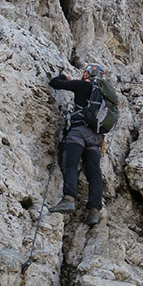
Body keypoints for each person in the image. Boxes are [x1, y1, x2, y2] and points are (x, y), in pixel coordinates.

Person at [48, 64, 105, 225]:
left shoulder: (82, 85)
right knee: (94, 173)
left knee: (70, 164)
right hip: (96, 138)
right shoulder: (104, 94)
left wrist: (64, 77)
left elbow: (54, 83)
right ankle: (94, 212)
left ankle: (69, 199)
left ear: (87, 74)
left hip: (78, 133)